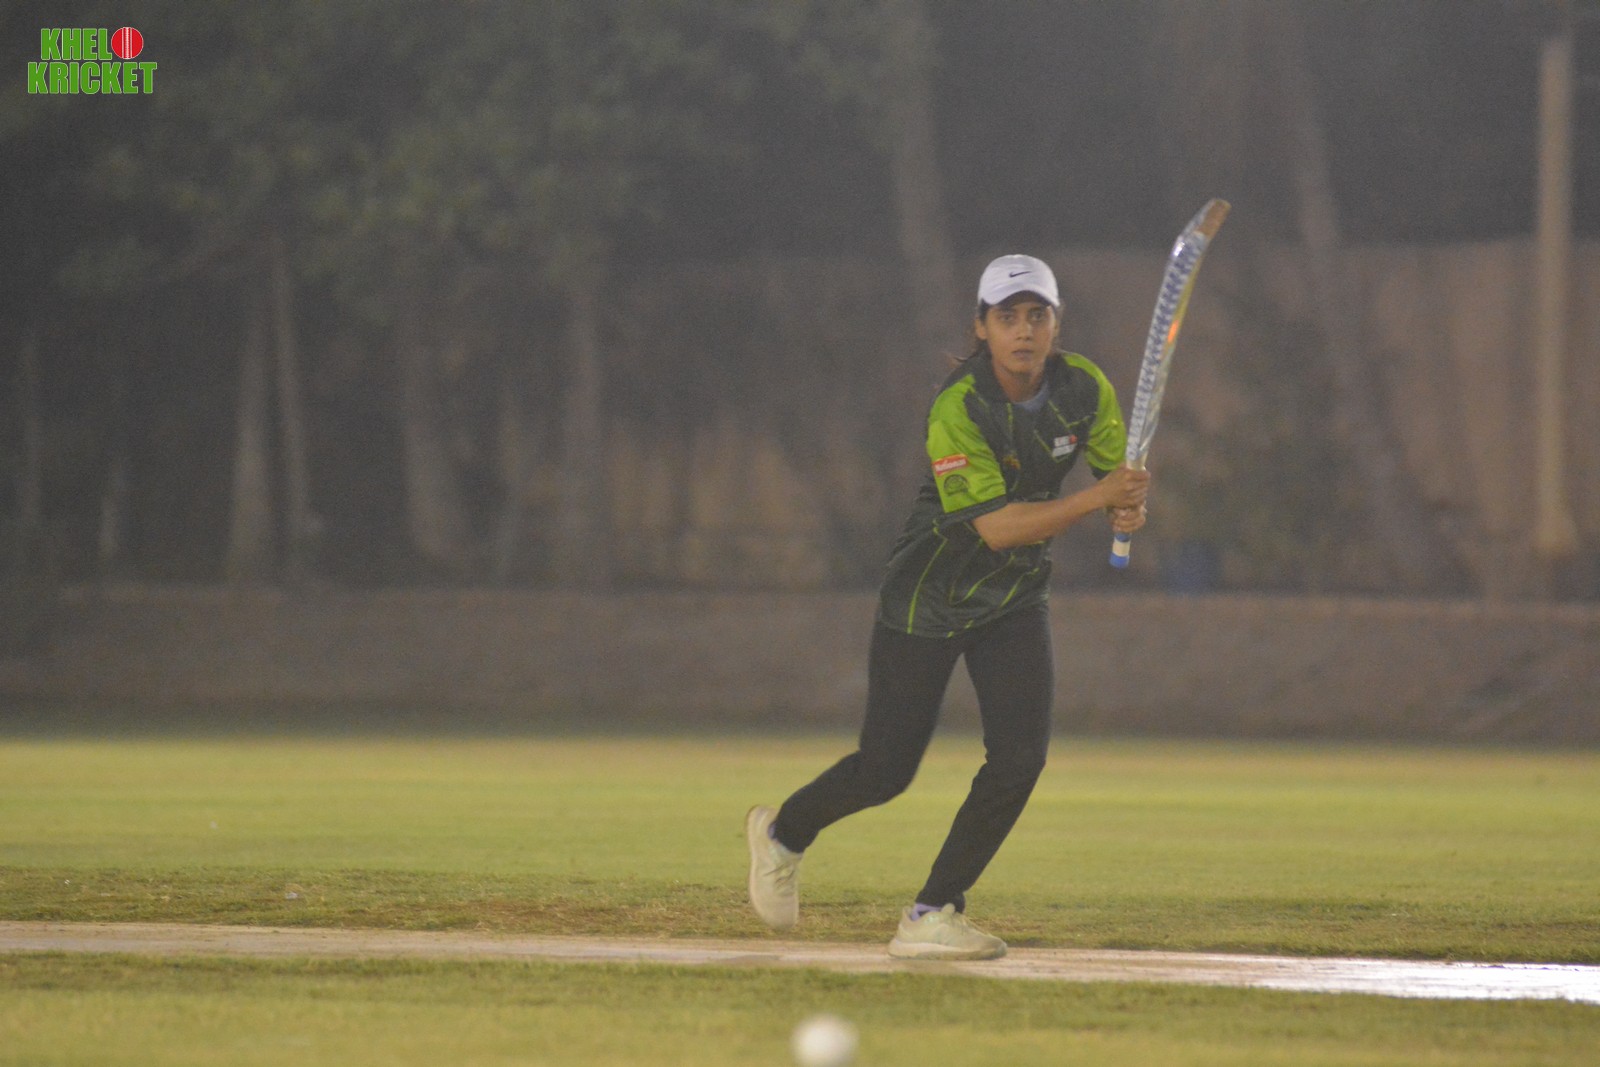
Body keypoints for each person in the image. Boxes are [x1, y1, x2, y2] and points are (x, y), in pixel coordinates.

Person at [745, 254, 1150, 960]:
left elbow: (1118, 477)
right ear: (981, 327)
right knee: (886, 771)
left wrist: (1129, 506)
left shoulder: (1084, 387)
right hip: (926, 598)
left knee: (1020, 760)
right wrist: (1099, 500)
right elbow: (997, 528)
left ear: (1056, 324)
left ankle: (932, 911)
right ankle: (783, 833)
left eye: (1038, 315)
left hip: (1014, 599)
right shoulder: (958, 406)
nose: (1024, 331)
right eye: (1007, 317)